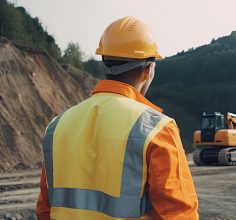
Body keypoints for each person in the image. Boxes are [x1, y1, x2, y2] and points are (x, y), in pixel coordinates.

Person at [36, 16, 199, 220]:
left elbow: (45, 210)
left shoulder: (56, 126)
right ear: (148, 70)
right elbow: (177, 214)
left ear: (105, 64)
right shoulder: (157, 129)